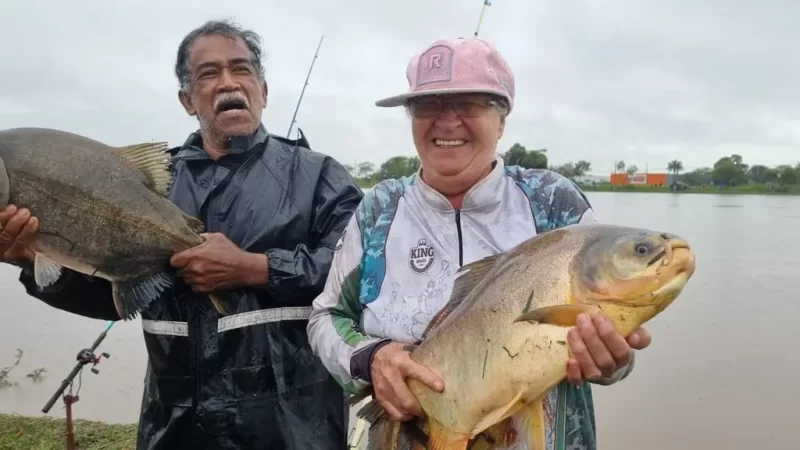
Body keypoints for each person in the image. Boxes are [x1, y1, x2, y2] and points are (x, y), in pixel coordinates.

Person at [0, 19, 362, 450]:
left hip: (297, 429)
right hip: (175, 428)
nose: (228, 83)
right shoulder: (150, 185)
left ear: (263, 92)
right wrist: (28, 258)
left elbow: (360, 278)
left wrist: (256, 269)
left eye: (242, 70)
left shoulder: (320, 175)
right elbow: (113, 299)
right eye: (209, 74)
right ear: (188, 100)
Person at [307, 37, 652, 450]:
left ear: (502, 119)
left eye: (470, 103)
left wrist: (613, 363)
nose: (447, 121)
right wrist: (371, 357)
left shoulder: (552, 202)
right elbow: (325, 318)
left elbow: (612, 341)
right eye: (428, 105)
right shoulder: (379, 209)